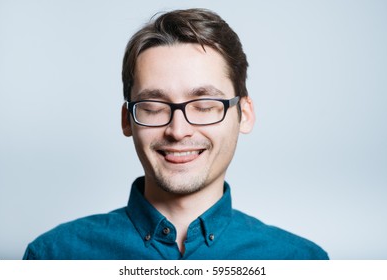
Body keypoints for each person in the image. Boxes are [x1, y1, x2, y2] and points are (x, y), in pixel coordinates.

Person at [23, 8, 328, 260]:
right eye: (154, 107)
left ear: (244, 115)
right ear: (127, 121)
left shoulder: (301, 262)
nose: (177, 131)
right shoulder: (54, 257)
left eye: (205, 105)